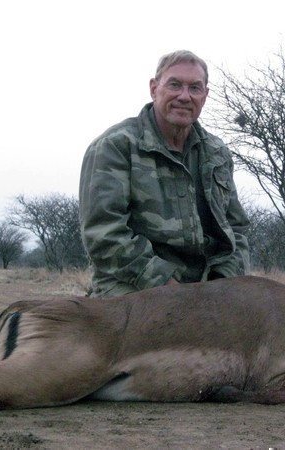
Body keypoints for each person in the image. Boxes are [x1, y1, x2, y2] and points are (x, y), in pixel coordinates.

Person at [79, 50, 250, 298]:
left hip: (207, 287)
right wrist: (171, 291)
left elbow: (237, 230)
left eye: (194, 88)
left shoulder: (217, 152)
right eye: (175, 85)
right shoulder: (114, 146)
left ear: (205, 95)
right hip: (133, 283)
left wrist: (222, 284)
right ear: (154, 88)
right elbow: (103, 234)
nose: (184, 96)